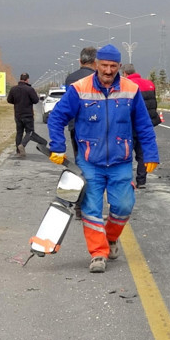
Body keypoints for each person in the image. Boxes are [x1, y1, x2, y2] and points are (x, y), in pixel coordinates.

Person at [47, 44, 159, 273]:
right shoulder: (79, 89)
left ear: (119, 66)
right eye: (104, 65)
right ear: (96, 65)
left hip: (121, 161)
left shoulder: (130, 89)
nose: (108, 70)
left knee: (124, 206)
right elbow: (56, 118)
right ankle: (98, 254)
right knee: (91, 209)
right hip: (90, 162)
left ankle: (110, 238)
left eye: (113, 66)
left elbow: (144, 125)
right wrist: (57, 147)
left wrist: (150, 153)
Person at [64, 46, 97, 219]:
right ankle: (92, 205)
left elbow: (67, 105)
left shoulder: (71, 78)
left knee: (80, 164)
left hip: (75, 127)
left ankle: (79, 207)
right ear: (95, 62)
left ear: (80, 61)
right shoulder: (98, 78)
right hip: (96, 129)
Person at [122, 64, 161, 188]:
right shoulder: (149, 83)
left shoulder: (127, 85)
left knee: (125, 153)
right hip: (147, 123)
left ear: (125, 74)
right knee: (142, 154)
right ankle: (141, 181)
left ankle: (127, 180)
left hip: (130, 125)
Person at [6, 73, 47, 157]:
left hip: (17, 114)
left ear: (20, 79)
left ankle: (18, 151)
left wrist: (17, 102)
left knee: (19, 132)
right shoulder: (29, 89)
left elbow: (9, 100)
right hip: (28, 114)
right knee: (30, 132)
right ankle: (22, 145)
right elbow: (36, 100)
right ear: (27, 79)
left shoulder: (14, 89)